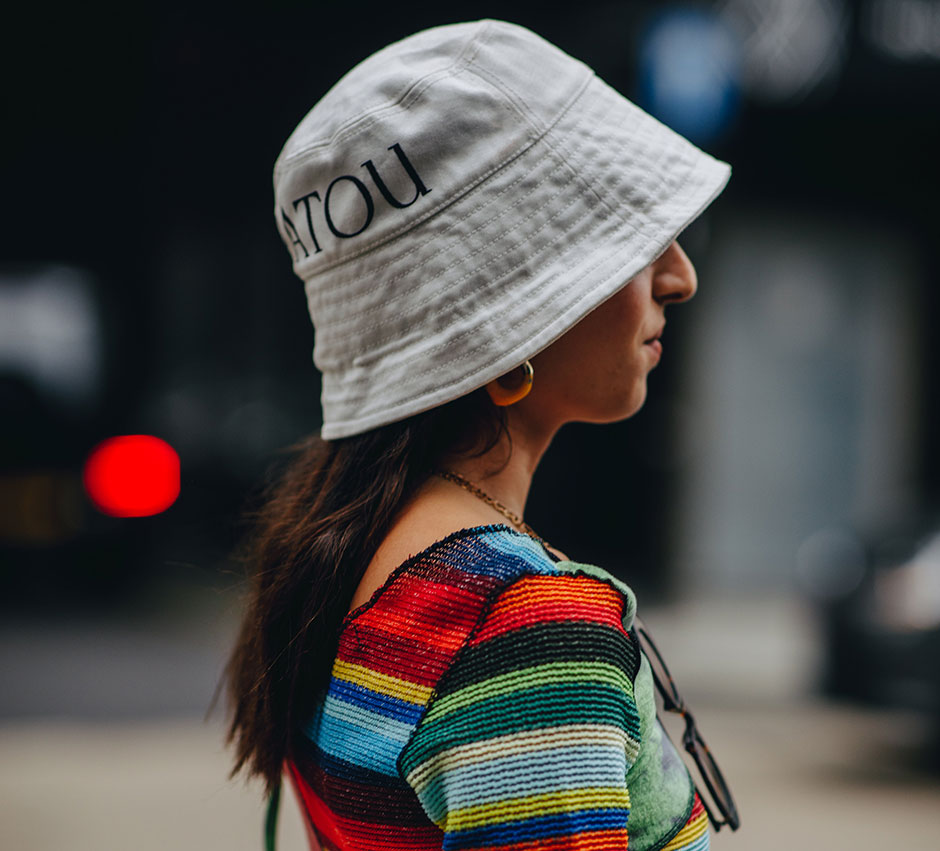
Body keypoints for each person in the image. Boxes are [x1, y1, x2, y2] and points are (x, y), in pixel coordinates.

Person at [223, 18, 736, 851]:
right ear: (506, 329)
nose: (679, 275)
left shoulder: (338, 556)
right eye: (634, 241)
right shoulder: (523, 623)